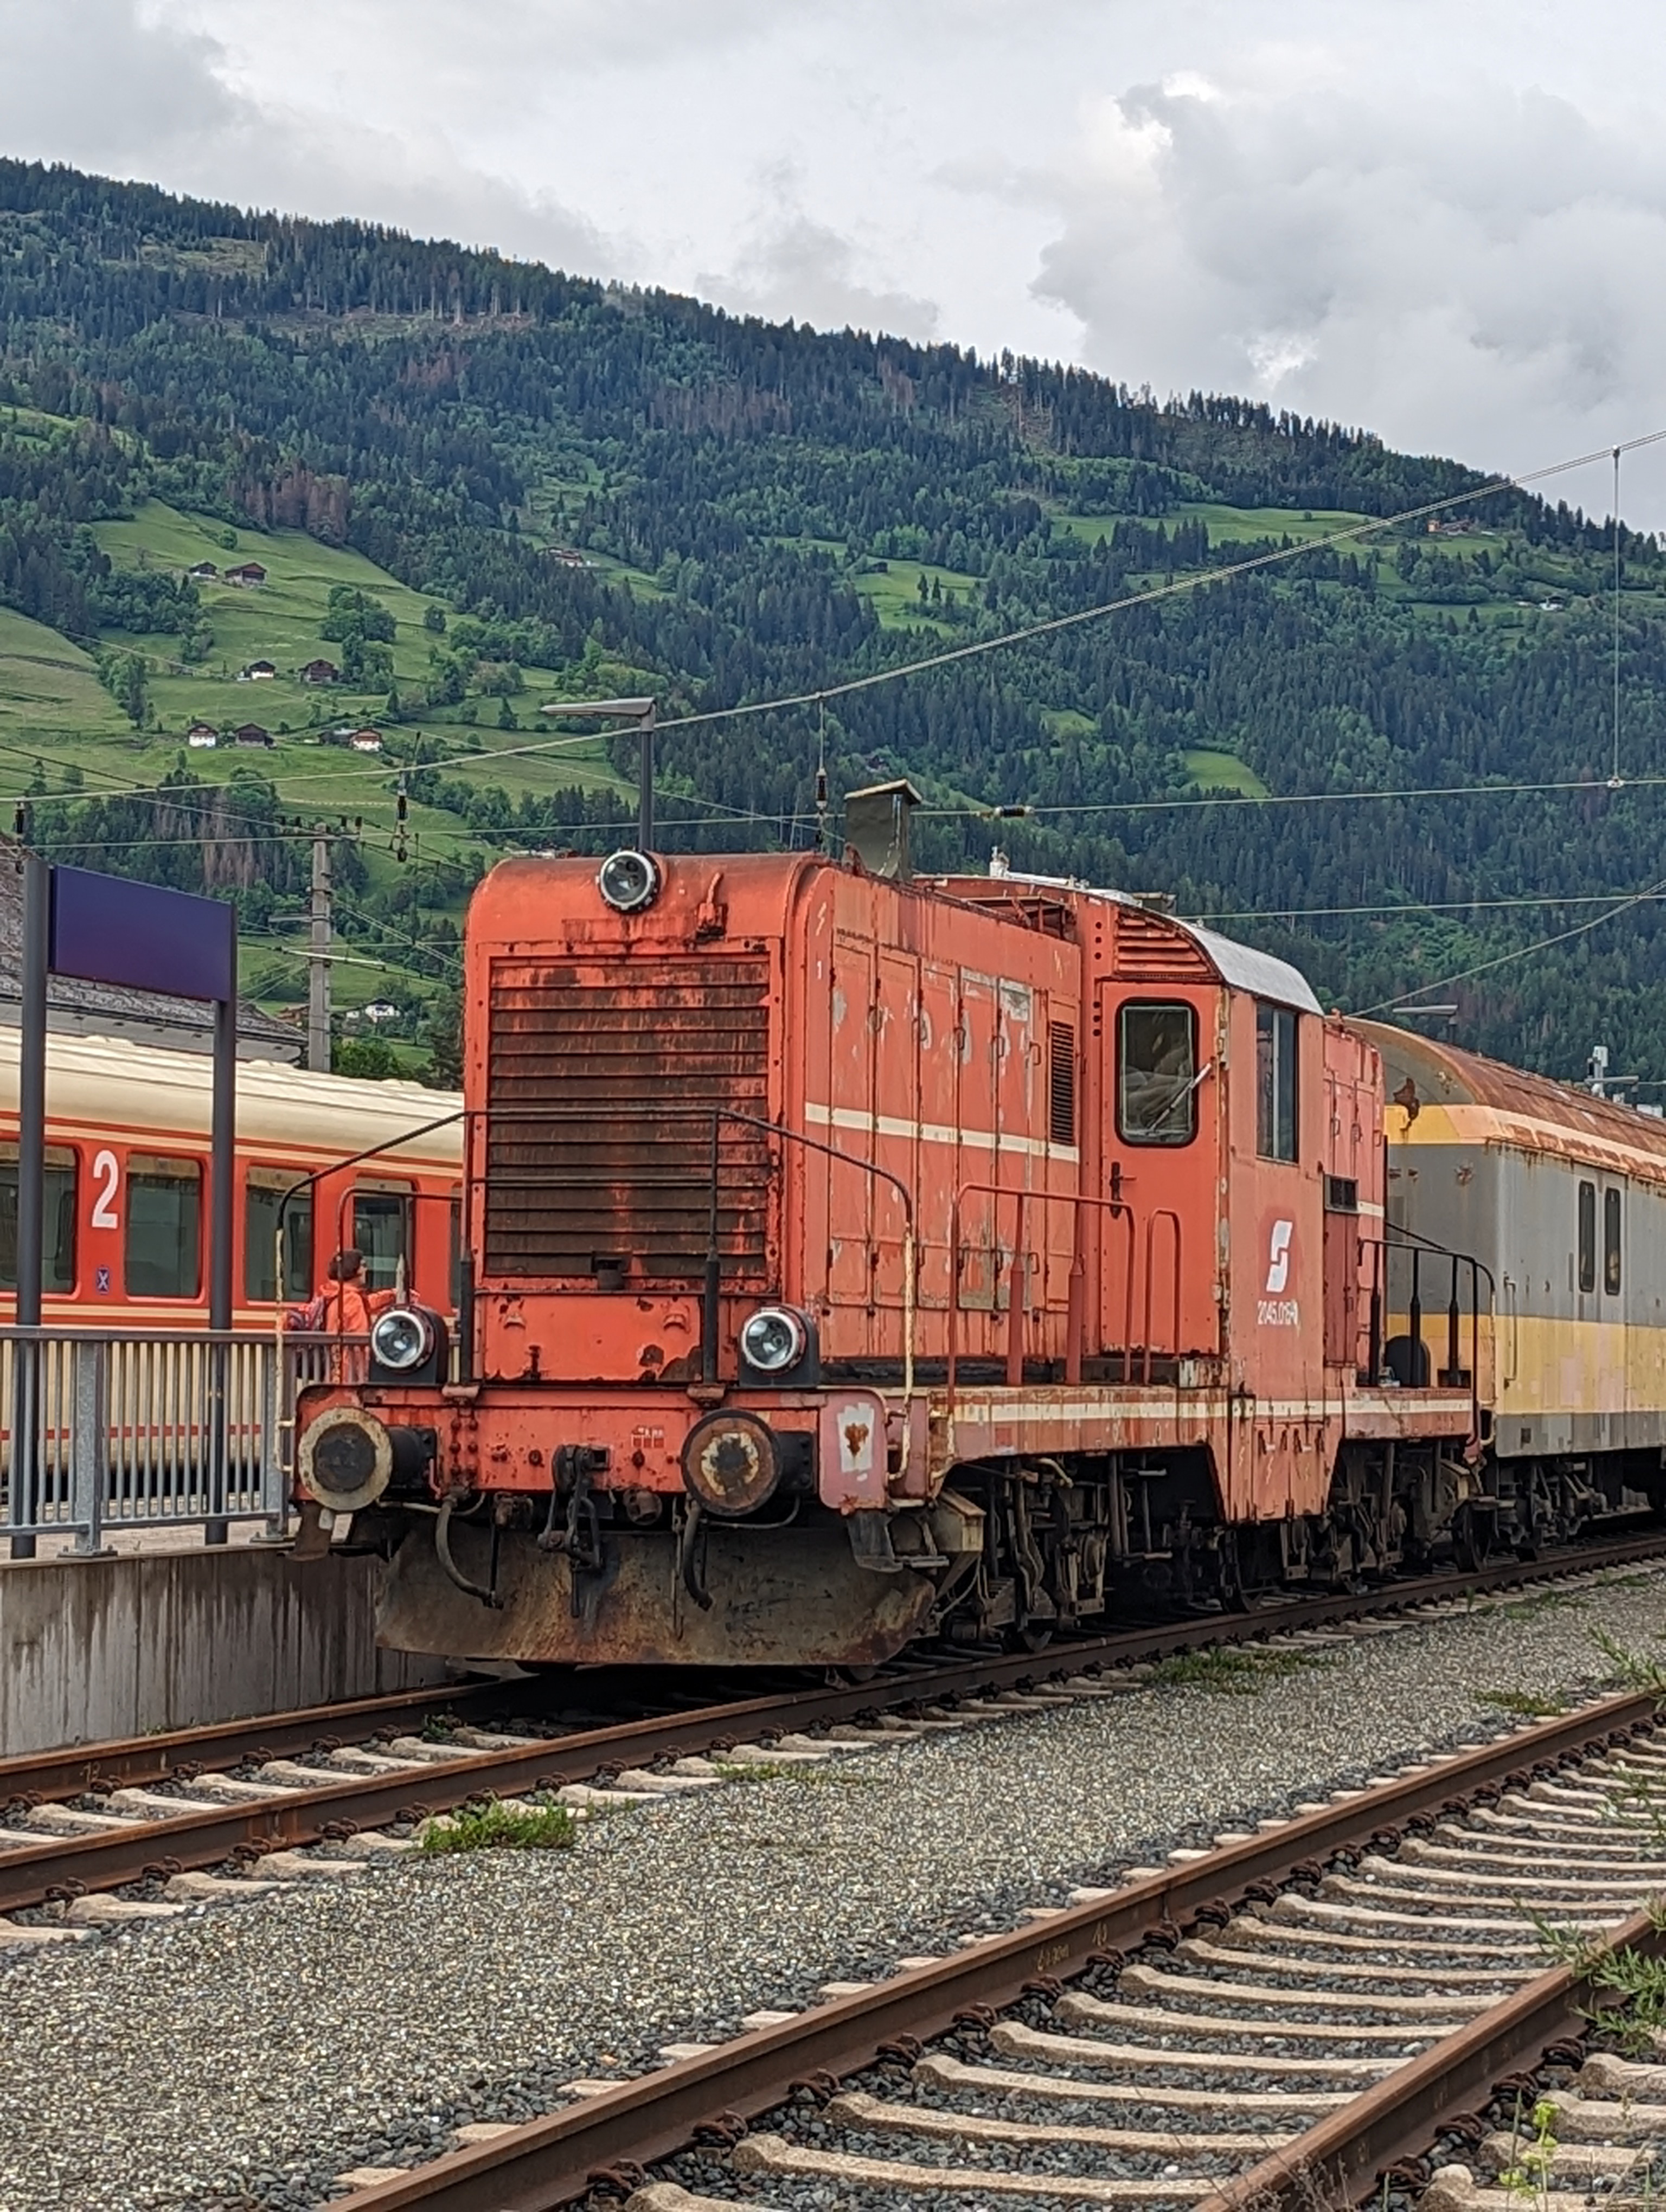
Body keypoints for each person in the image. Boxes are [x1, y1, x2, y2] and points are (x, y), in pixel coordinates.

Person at [286, 1249, 398, 1377]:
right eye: (363, 1265)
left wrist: (391, 1296)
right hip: (349, 1373)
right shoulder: (352, 1300)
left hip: (334, 1368)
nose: (366, 1270)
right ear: (354, 1270)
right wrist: (365, 1374)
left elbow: (367, 1302)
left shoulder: (335, 1294)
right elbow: (358, 1343)